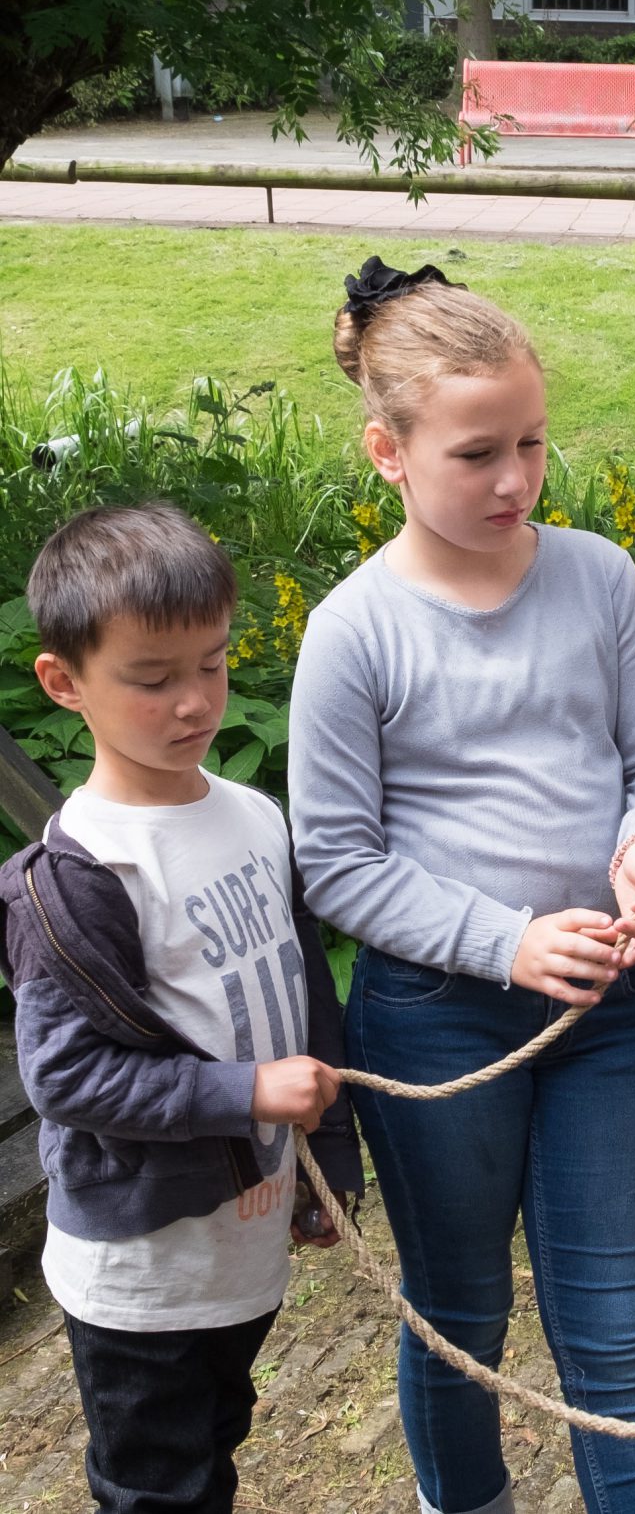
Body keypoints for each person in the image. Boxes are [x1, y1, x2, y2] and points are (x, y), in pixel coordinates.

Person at [288, 259, 635, 1514]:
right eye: (475, 453)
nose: (515, 479)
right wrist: (506, 943)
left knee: (617, 1327)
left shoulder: (598, 578)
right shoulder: (353, 631)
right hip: (433, 1021)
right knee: (459, 1319)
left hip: (600, 1017)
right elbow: (335, 861)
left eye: (530, 442)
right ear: (387, 451)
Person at [1, 502, 362, 1514]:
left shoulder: (253, 816)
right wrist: (247, 1090)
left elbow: (301, 995)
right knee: (157, 1485)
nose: (195, 701)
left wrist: (326, 1159)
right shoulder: (78, 879)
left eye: (211, 664)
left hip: (240, 1246)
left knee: (216, 1442)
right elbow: (66, 1076)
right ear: (64, 682)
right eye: (152, 680)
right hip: (141, 1275)